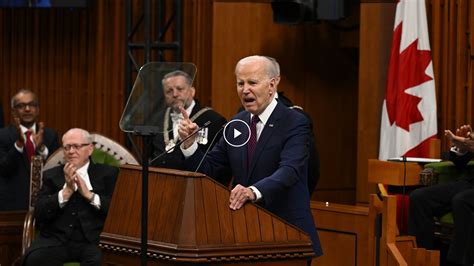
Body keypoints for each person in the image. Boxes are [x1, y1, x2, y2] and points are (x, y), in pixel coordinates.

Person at [177, 55, 322, 257]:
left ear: (272, 85)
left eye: (252, 83)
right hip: (246, 234)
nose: (245, 90)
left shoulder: (295, 121)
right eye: (240, 83)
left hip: (288, 235)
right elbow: (209, 170)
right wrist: (190, 144)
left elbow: (290, 171)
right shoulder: (238, 122)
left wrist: (252, 191)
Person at [22, 128, 119, 266]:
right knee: (36, 259)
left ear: (90, 149)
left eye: (76, 146)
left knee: (102, 261)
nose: (71, 151)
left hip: (94, 242)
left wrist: (89, 195)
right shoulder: (51, 175)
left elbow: (117, 211)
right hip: (56, 241)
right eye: (67, 147)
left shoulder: (108, 174)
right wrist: (65, 192)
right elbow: (40, 212)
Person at [409, 124, 474, 266]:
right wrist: (462, 148)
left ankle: (459, 262)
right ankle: (423, 259)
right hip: (469, 182)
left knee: (461, 201)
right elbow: (460, 163)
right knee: (419, 198)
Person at [150, 70, 227, 171]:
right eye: (169, 91)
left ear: (192, 91)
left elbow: (220, 166)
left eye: (179, 89)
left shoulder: (213, 120)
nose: (175, 94)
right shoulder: (155, 120)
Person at [0, 89, 60, 211]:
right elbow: (3, 169)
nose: (27, 109)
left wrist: (41, 148)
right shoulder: (3, 135)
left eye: (31, 105)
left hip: (45, 204)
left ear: (37, 109)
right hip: (12, 205)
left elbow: (57, 169)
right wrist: (18, 145)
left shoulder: (50, 135)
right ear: (13, 112)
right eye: (21, 106)